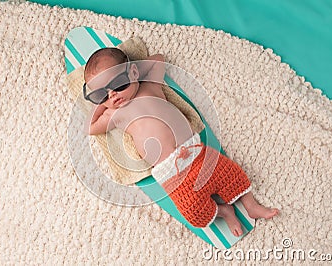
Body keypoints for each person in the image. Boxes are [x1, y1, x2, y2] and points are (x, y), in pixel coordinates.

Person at [83, 47, 279, 237]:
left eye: (118, 84)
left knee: (232, 174)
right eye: (101, 94)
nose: (113, 95)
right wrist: (101, 105)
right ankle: (224, 211)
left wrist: (134, 73)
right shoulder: (115, 115)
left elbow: (158, 59)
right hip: (172, 174)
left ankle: (251, 206)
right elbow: (90, 128)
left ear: (133, 71)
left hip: (195, 151)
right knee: (194, 212)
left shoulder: (149, 86)